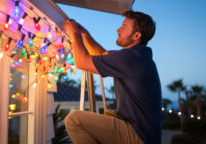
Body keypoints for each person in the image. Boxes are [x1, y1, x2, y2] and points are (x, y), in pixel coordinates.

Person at [62, 10, 161, 144]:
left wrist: (74, 34)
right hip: (145, 135)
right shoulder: (137, 55)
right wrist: (85, 35)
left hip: (139, 136)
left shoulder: (130, 58)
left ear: (136, 35)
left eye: (124, 27)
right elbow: (102, 53)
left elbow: (81, 62)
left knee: (74, 120)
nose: (118, 30)